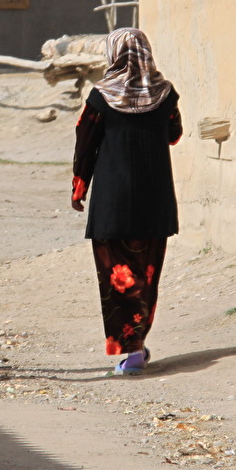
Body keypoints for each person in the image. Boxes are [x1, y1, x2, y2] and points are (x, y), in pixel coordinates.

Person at [71, 28, 182, 376]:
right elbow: (174, 135)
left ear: (113, 54)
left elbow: (85, 144)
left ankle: (131, 349)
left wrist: (79, 188)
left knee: (117, 276)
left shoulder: (101, 97)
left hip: (113, 203)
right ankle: (137, 346)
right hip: (155, 200)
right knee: (146, 275)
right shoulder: (165, 94)